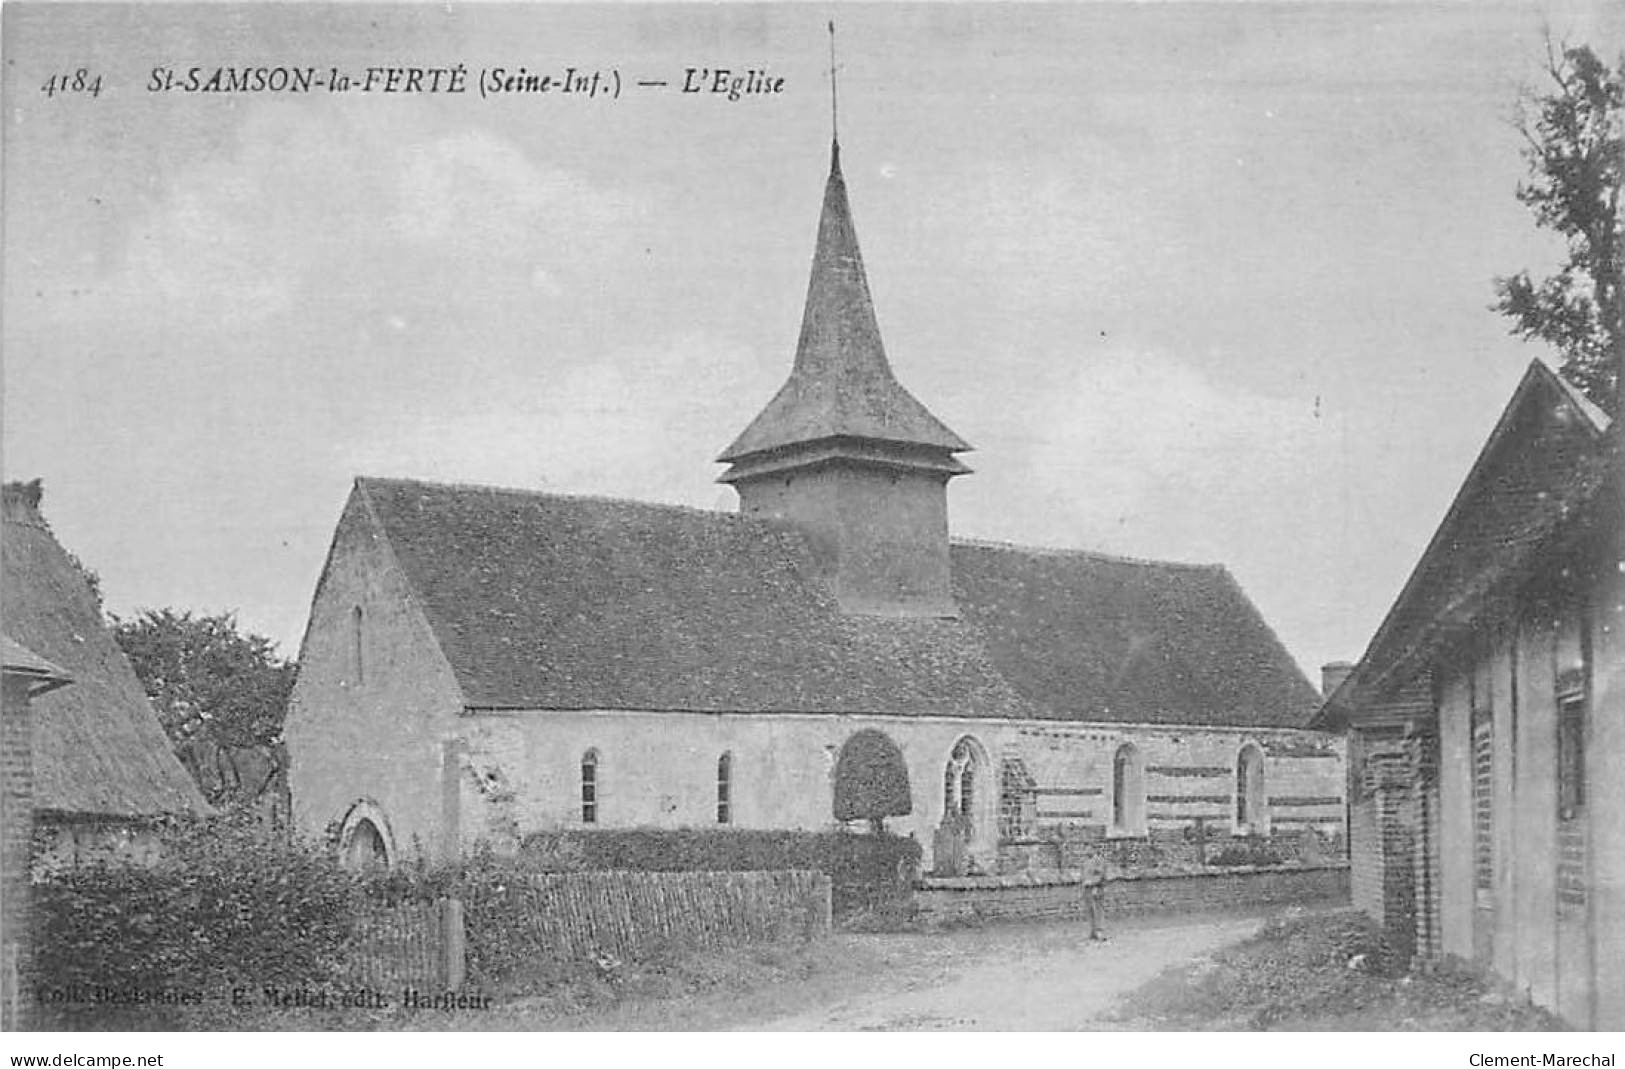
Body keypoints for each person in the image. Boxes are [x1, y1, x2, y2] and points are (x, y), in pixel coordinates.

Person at [1081, 853, 1109, 941]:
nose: (1086, 850)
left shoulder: (1099, 860)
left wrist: (1094, 885)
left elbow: (1100, 875)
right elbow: (1084, 875)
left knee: (1098, 910)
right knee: (1090, 910)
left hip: (1096, 888)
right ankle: (1092, 931)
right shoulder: (1085, 861)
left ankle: (1100, 931)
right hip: (1087, 888)